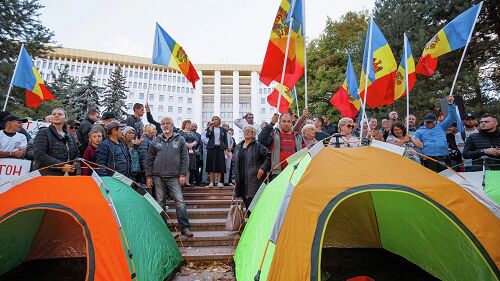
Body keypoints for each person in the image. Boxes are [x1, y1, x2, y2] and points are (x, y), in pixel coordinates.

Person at [144, 117, 192, 237]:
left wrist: (183, 175)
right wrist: (148, 176)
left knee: (180, 202)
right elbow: (149, 160)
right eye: (163, 124)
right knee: (160, 202)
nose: (165, 125)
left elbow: (185, 159)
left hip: (174, 177)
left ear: (172, 125)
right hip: (157, 177)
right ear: (161, 126)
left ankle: (185, 227)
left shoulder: (180, 139)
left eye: (168, 123)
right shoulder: (155, 141)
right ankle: (164, 229)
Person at [258, 109, 308, 178]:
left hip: (295, 173)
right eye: (284, 121)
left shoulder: (298, 137)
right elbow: (261, 139)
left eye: (288, 121)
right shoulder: (273, 135)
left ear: (292, 123)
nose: (286, 124)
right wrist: (271, 123)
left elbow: (305, 154)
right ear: (279, 123)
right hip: (277, 173)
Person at [414, 96, 458, 172]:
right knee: (433, 178)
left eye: (431, 122)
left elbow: (451, 117)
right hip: (429, 158)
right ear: (424, 121)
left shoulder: (441, 126)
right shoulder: (418, 131)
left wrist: (451, 104)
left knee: (446, 177)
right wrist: (421, 155)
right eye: (427, 122)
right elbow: (415, 144)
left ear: (435, 121)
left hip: (444, 157)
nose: (430, 124)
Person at [233, 125, 270, 210]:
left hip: (254, 180)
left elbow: (268, 156)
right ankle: (250, 222)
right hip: (241, 181)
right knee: (247, 204)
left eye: (250, 131)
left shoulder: (258, 145)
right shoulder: (238, 146)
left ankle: (253, 222)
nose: (247, 132)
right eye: (245, 130)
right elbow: (234, 163)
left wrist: (263, 168)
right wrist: (234, 177)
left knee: (253, 205)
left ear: (254, 134)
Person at [33, 108, 79, 175]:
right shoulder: (43, 132)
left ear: (66, 118)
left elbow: (77, 152)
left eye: (60, 114)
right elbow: (39, 154)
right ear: (50, 118)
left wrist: (75, 163)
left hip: (67, 175)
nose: (56, 115)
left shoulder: (71, 136)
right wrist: (61, 166)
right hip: (47, 174)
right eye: (54, 114)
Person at [205, 116, 228, 188]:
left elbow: (225, 140)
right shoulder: (210, 128)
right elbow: (207, 136)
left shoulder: (223, 129)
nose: (214, 121)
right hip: (211, 148)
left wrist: (226, 149)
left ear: (219, 121)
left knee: (220, 165)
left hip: (220, 148)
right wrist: (210, 127)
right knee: (211, 164)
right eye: (213, 119)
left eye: (216, 119)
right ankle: (211, 182)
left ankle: (218, 182)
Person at [178, 120, 198, 187]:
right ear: (184, 125)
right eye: (188, 124)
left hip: (192, 152)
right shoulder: (180, 132)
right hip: (183, 151)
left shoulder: (192, 133)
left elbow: (196, 140)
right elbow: (179, 140)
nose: (189, 125)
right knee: (183, 166)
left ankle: (187, 182)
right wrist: (186, 144)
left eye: (190, 124)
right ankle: (181, 183)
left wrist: (192, 144)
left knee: (189, 167)